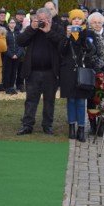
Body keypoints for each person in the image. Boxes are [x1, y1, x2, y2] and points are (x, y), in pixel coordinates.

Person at [17, 7, 63, 135]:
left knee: (49, 100)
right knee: (31, 100)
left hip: (50, 72)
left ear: (49, 18)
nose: (42, 22)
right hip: (33, 72)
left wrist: (48, 32)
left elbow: (62, 43)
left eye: (44, 20)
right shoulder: (33, 29)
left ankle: (47, 125)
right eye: (39, 19)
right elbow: (20, 41)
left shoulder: (57, 28)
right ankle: (27, 125)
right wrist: (32, 28)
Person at [58, 8, 97, 142]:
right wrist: (67, 36)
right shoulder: (65, 33)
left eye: (79, 19)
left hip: (81, 71)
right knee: (71, 100)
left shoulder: (88, 33)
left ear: (83, 20)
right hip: (68, 71)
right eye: (74, 18)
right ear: (70, 21)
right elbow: (61, 51)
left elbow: (92, 51)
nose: (76, 21)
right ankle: (71, 127)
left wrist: (84, 37)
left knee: (81, 101)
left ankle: (81, 129)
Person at [2, 17, 23, 94]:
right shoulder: (5, 33)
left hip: (17, 56)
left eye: (14, 23)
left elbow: (21, 44)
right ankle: (7, 87)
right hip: (8, 56)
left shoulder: (18, 33)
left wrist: (17, 54)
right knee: (7, 72)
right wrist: (11, 55)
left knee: (14, 72)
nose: (12, 24)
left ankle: (11, 86)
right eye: (11, 23)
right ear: (8, 24)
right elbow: (4, 45)